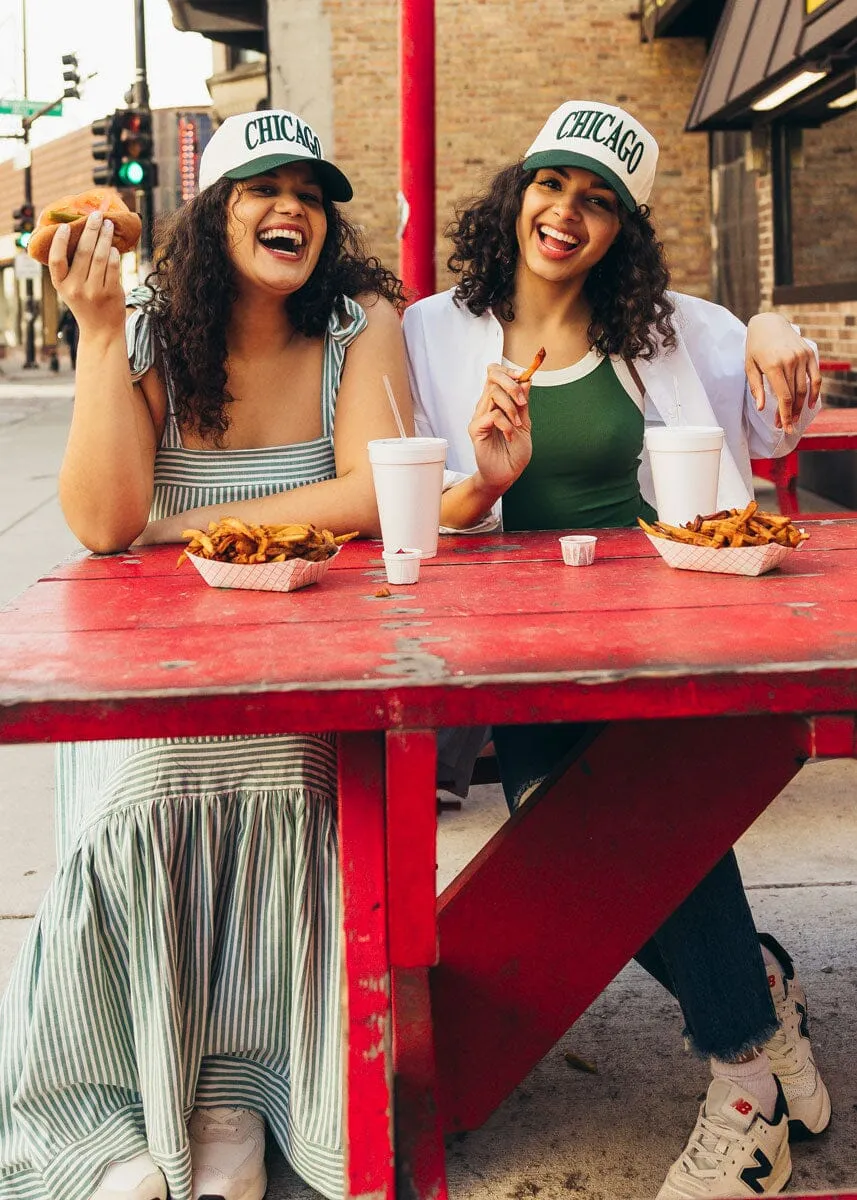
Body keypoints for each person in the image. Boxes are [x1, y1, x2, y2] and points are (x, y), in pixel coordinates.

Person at [403, 100, 828, 1200]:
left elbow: (767, 417)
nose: (567, 214)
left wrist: (777, 329)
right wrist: (486, 482)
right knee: (605, 838)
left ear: (621, 231)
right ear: (517, 191)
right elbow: (414, 509)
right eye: (553, 184)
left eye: (599, 202)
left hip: (665, 633)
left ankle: (743, 1086)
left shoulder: (669, 327)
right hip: (521, 649)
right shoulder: (431, 333)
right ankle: (758, 991)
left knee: (643, 819)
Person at [0, 109, 412, 1200]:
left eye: (309, 192)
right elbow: (99, 519)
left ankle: (232, 1092)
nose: (289, 207)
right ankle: (116, 1106)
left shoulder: (359, 322)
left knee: (290, 776)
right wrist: (93, 332)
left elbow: (372, 492)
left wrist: (190, 526)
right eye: (256, 187)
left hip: (304, 639)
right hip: (158, 655)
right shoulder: (144, 325)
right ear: (208, 216)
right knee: (139, 788)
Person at [57, 304, 79, 369]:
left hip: (76, 332)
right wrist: (59, 330)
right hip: (70, 332)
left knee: (75, 347)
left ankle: (75, 362)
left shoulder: (75, 312)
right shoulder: (67, 313)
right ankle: (73, 363)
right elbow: (62, 322)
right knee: (72, 347)